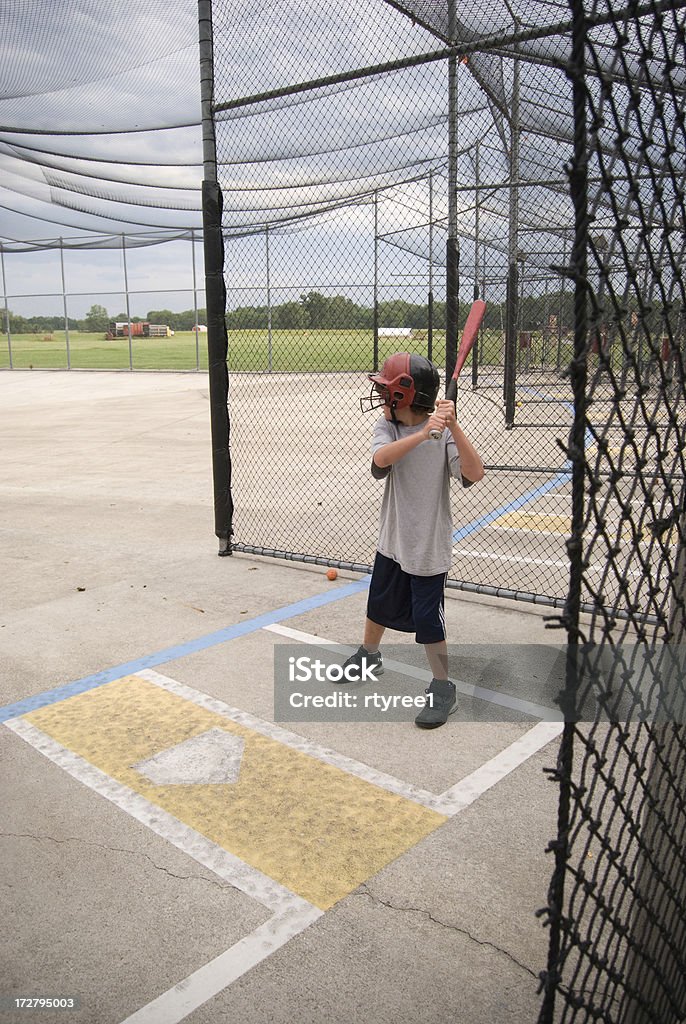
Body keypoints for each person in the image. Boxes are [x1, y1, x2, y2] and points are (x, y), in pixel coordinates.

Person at [342, 352, 485, 728]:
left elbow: (474, 474)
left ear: (405, 396)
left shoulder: (444, 436)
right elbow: (380, 462)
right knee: (379, 604)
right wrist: (423, 433)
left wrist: (453, 428)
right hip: (392, 540)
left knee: (429, 622)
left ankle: (442, 687)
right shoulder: (388, 427)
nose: (382, 398)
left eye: (387, 391)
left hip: (427, 549)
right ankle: (369, 655)